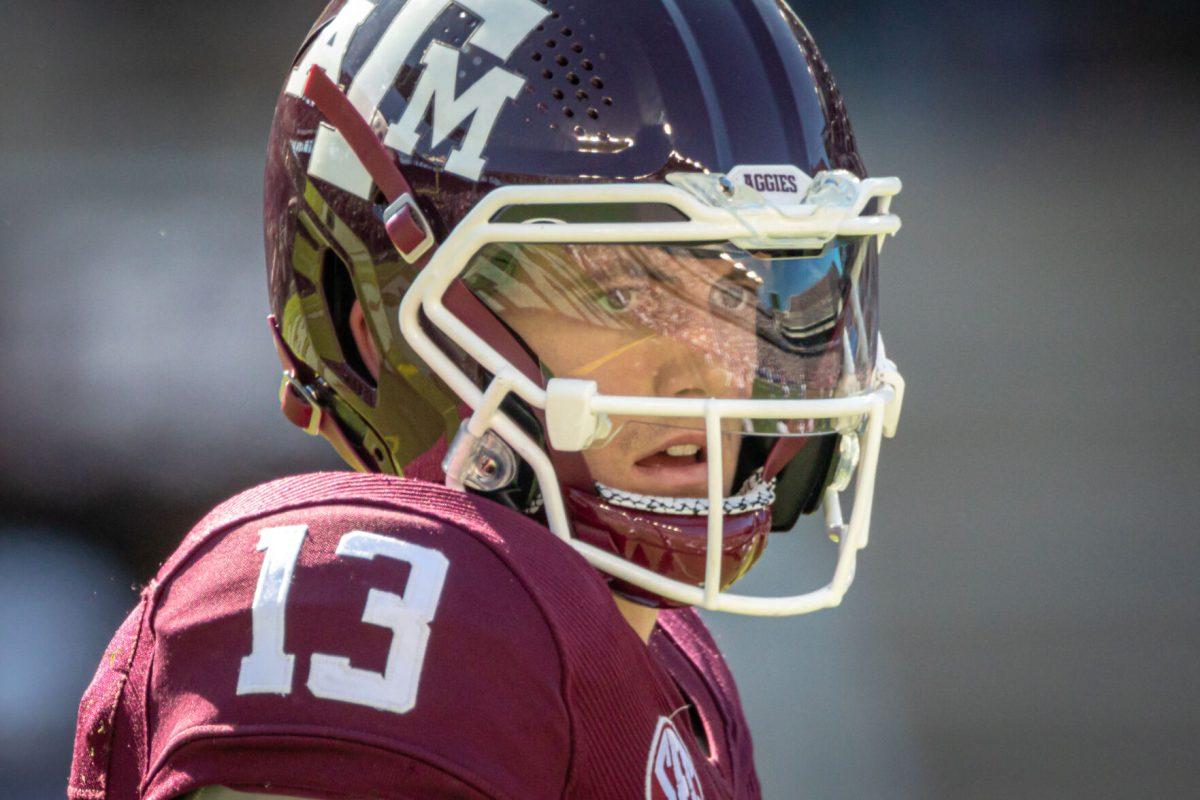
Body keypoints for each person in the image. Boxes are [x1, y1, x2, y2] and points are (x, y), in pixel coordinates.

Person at [70, 0, 905, 798]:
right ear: (379, 329)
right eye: (618, 296)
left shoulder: (682, 672)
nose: (709, 371)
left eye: (732, 301)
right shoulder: (366, 612)